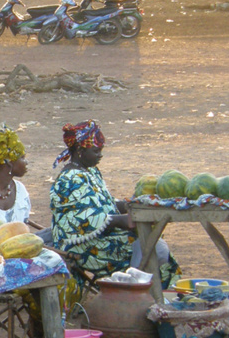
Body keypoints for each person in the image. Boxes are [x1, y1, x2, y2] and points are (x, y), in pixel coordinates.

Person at [50, 120, 181, 289]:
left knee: (152, 244)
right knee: (148, 247)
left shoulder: (90, 171)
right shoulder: (70, 179)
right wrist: (123, 220)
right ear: (80, 151)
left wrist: (131, 205)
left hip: (100, 237)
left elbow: (105, 203)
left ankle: (148, 293)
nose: (100, 156)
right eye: (96, 151)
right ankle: (136, 293)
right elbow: (86, 221)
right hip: (83, 247)